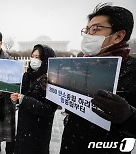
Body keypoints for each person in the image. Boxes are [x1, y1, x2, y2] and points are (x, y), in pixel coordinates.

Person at [60, 3, 136, 154]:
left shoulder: (133, 70)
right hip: (72, 144)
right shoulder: (80, 64)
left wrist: (129, 116)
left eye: (95, 29)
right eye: (87, 30)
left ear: (118, 36)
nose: (88, 35)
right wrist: (54, 86)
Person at [10, 44, 58, 154]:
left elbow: (49, 109)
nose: (33, 60)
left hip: (39, 132)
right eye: (32, 56)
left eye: (37, 57)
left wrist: (24, 100)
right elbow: (21, 96)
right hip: (23, 128)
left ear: (45, 60)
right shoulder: (27, 76)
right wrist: (16, 99)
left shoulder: (51, 81)